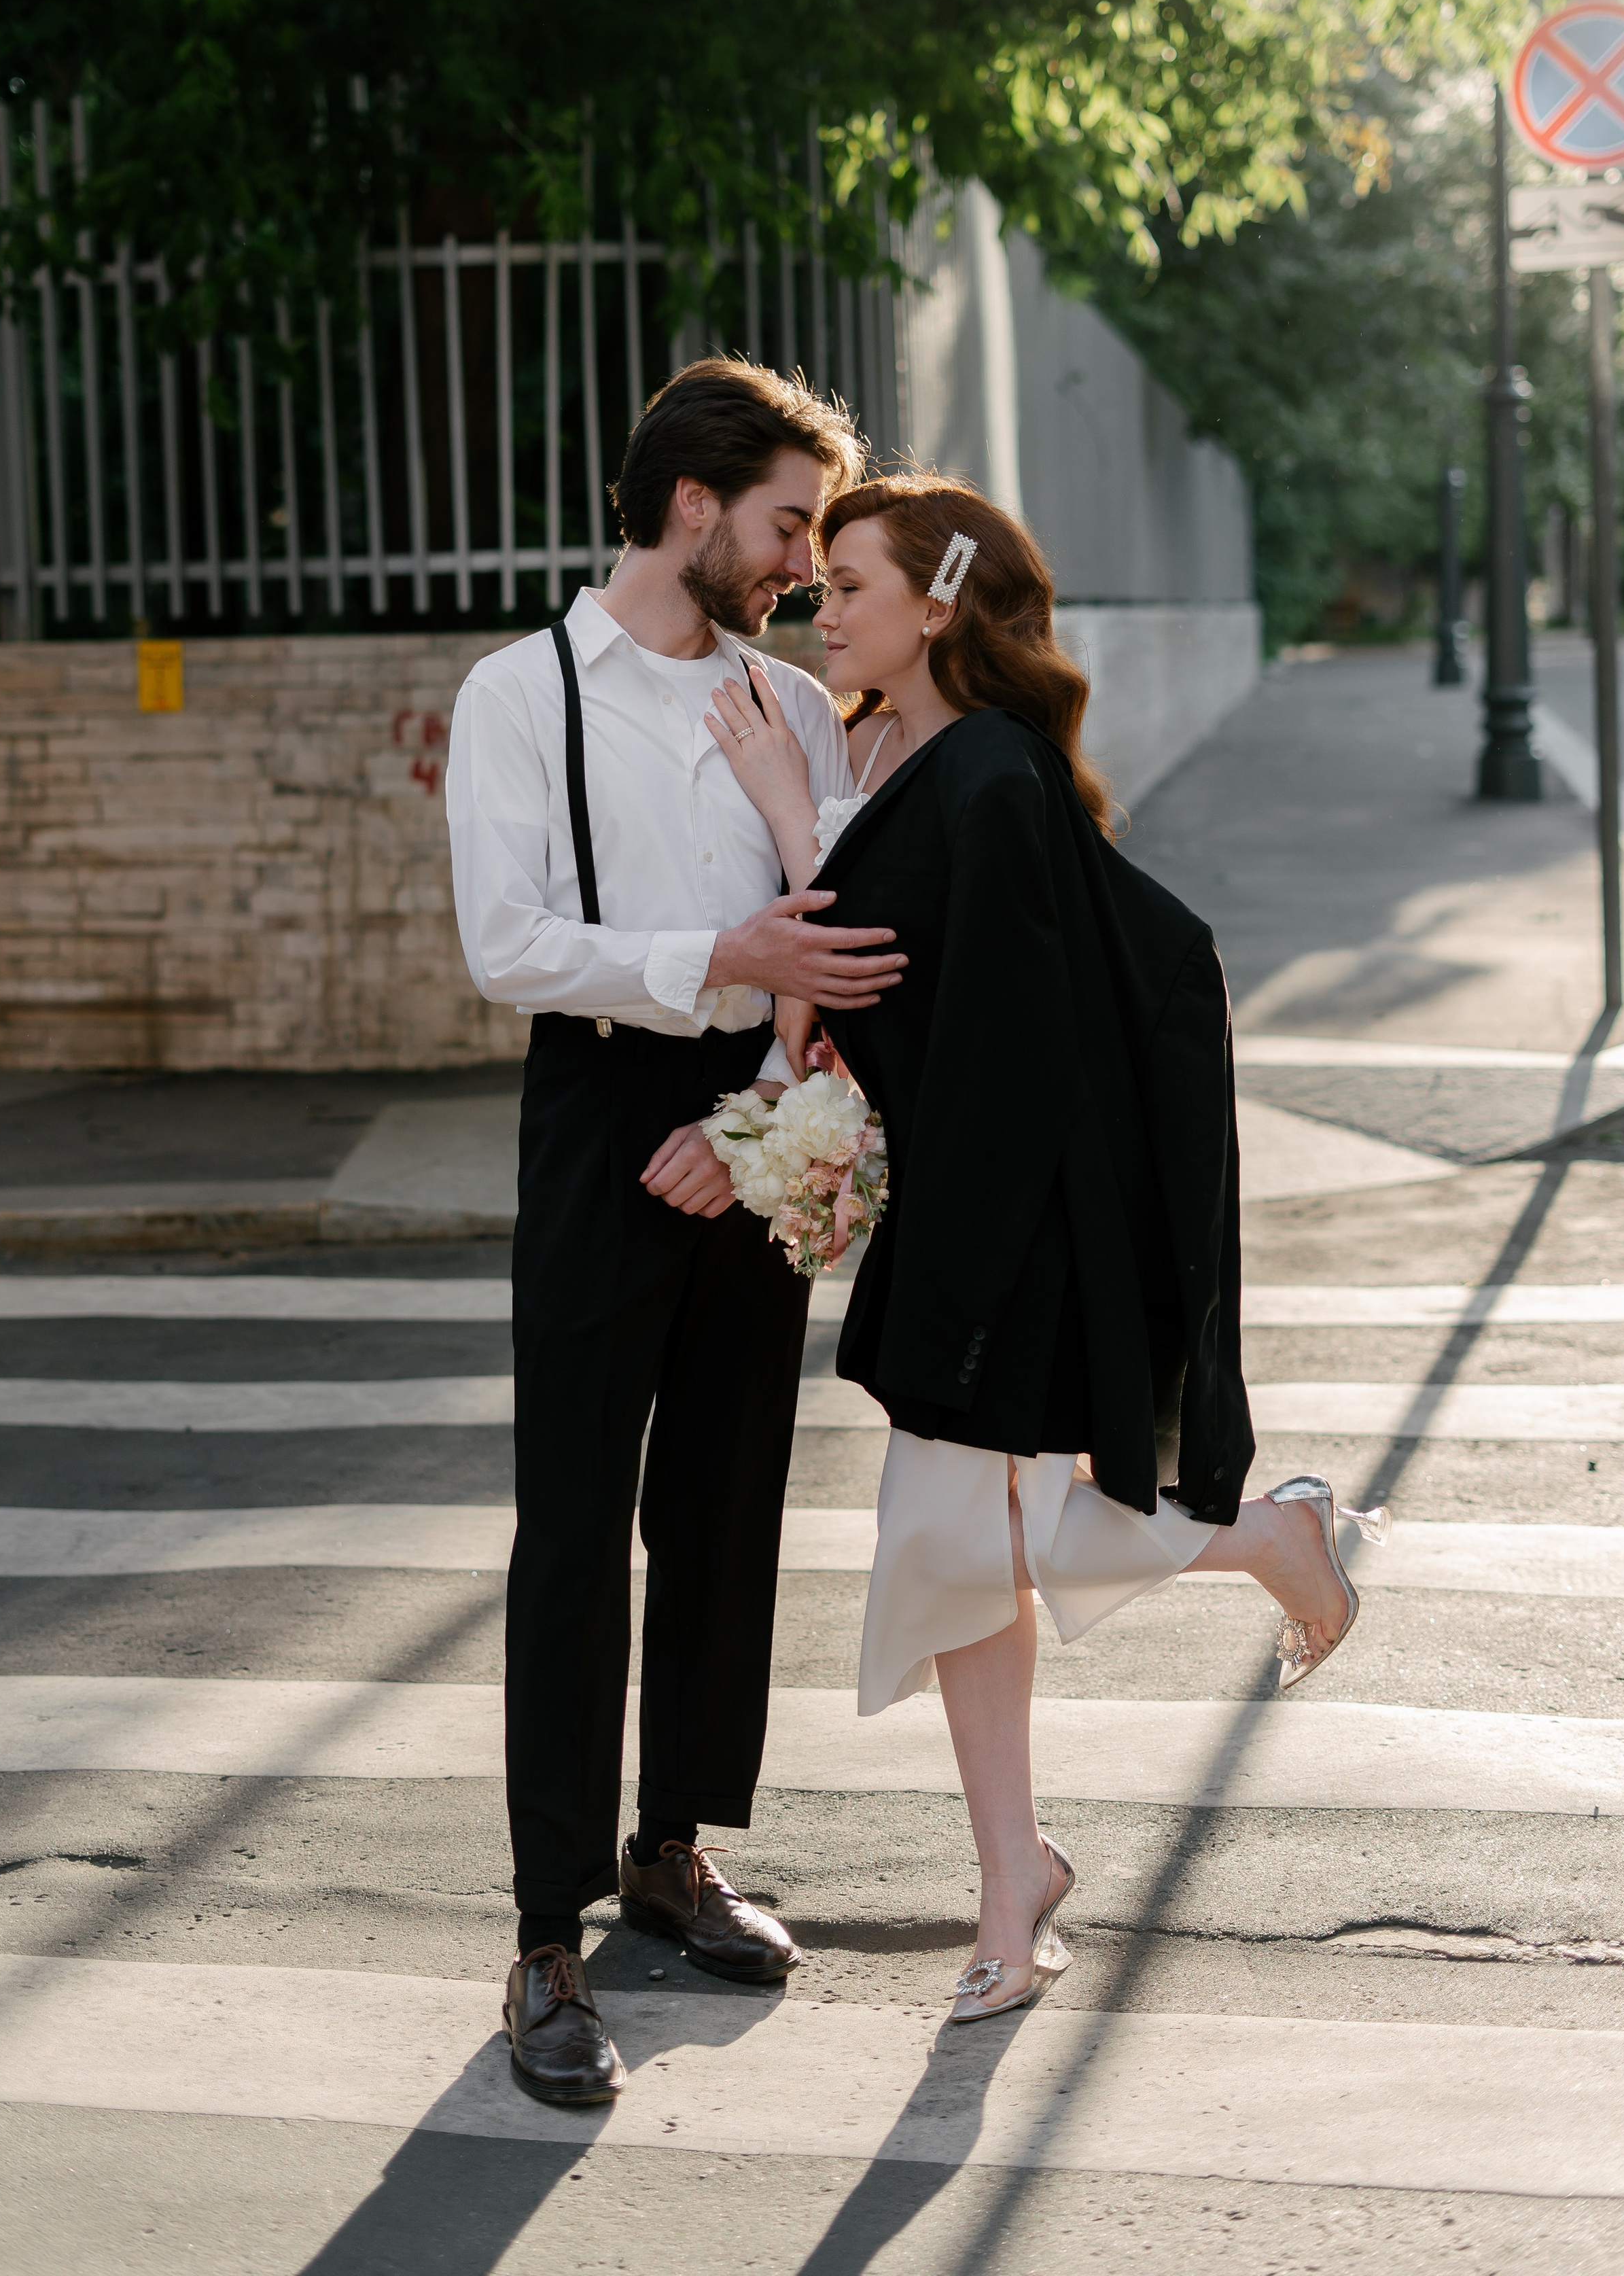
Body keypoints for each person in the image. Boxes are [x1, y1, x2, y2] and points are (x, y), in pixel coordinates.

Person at [704, 472, 1389, 2025]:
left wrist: (787, 816)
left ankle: (1266, 1540)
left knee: (955, 1555)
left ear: (936, 605)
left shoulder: (989, 775)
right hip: (971, 1221)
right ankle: (1012, 1876)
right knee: (957, 1566)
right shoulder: (931, 756)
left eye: (853, 583)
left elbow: (967, 1021)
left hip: (995, 1238)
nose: (827, 606)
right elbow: (880, 985)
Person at [446, 359, 908, 2106]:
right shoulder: (519, 693)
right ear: (693, 504)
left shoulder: (793, 708)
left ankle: (673, 1849)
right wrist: (719, 961)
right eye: (789, 522)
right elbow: (511, 943)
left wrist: (749, 1112)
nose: (804, 559)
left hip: (753, 1115)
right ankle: (546, 1934)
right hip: (592, 1118)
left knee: (720, 1504)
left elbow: (848, 931)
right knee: (572, 1524)